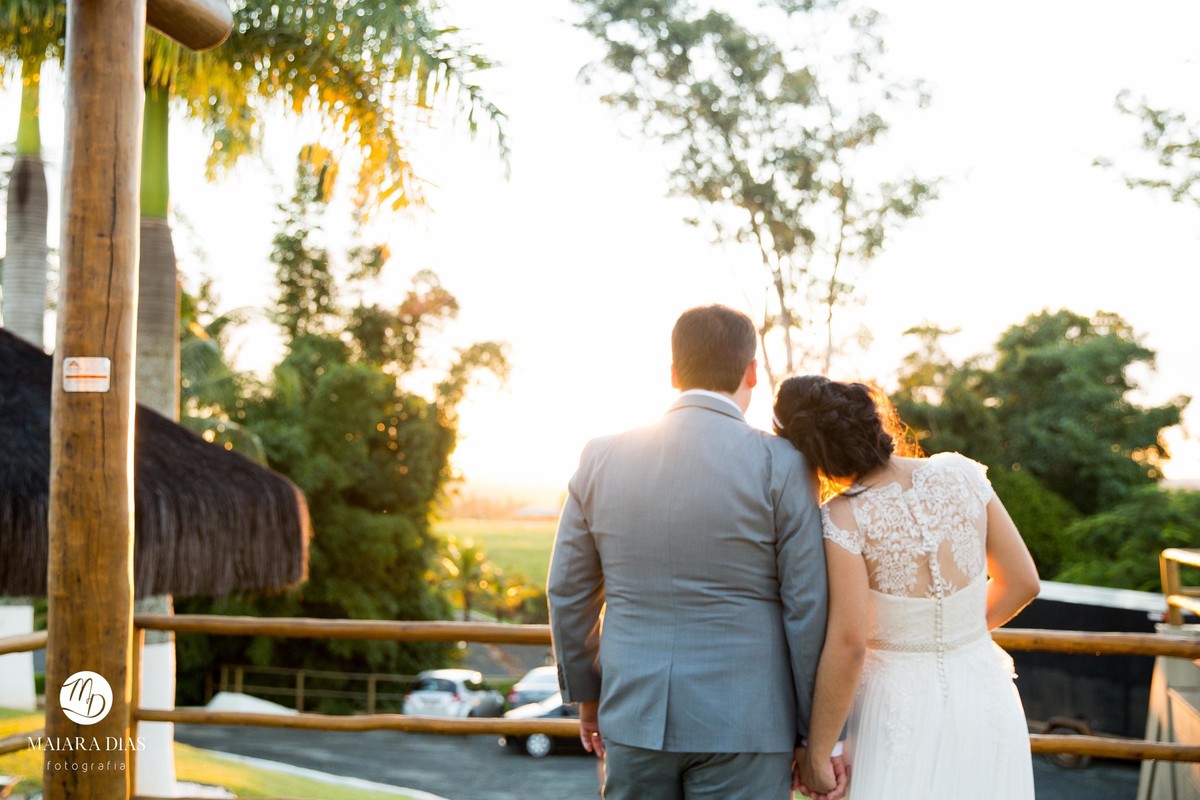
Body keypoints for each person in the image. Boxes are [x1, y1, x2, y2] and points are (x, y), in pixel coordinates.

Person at [548, 305, 842, 800]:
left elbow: (568, 593)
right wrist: (814, 734)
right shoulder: (785, 464)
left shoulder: (599, 457)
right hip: (749, 723)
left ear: (673, 373)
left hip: (634, 715)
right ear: (751, 371)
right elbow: (806, 607)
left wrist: (589, 697)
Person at [772, 375, 1040, 800]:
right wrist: (955, 635)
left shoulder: (842, 518)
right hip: (983, 692)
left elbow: (848, 644)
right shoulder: (962, 474)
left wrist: (817, 754)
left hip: (896, 708)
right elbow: (1023, 581)